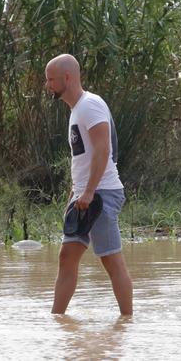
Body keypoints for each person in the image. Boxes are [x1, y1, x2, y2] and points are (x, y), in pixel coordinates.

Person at [44, 53, 132, 316]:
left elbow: (103, 150)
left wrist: (90, 191)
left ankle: (127, 323)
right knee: (66, 258)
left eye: (51, 80)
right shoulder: (76, 111)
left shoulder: (90, 105)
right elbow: (83, 157)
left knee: (111, 260)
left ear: (67, 78)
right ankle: (56, 319)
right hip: (84, 195)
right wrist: (74, 195)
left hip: (102, 193)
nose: (47, 85)